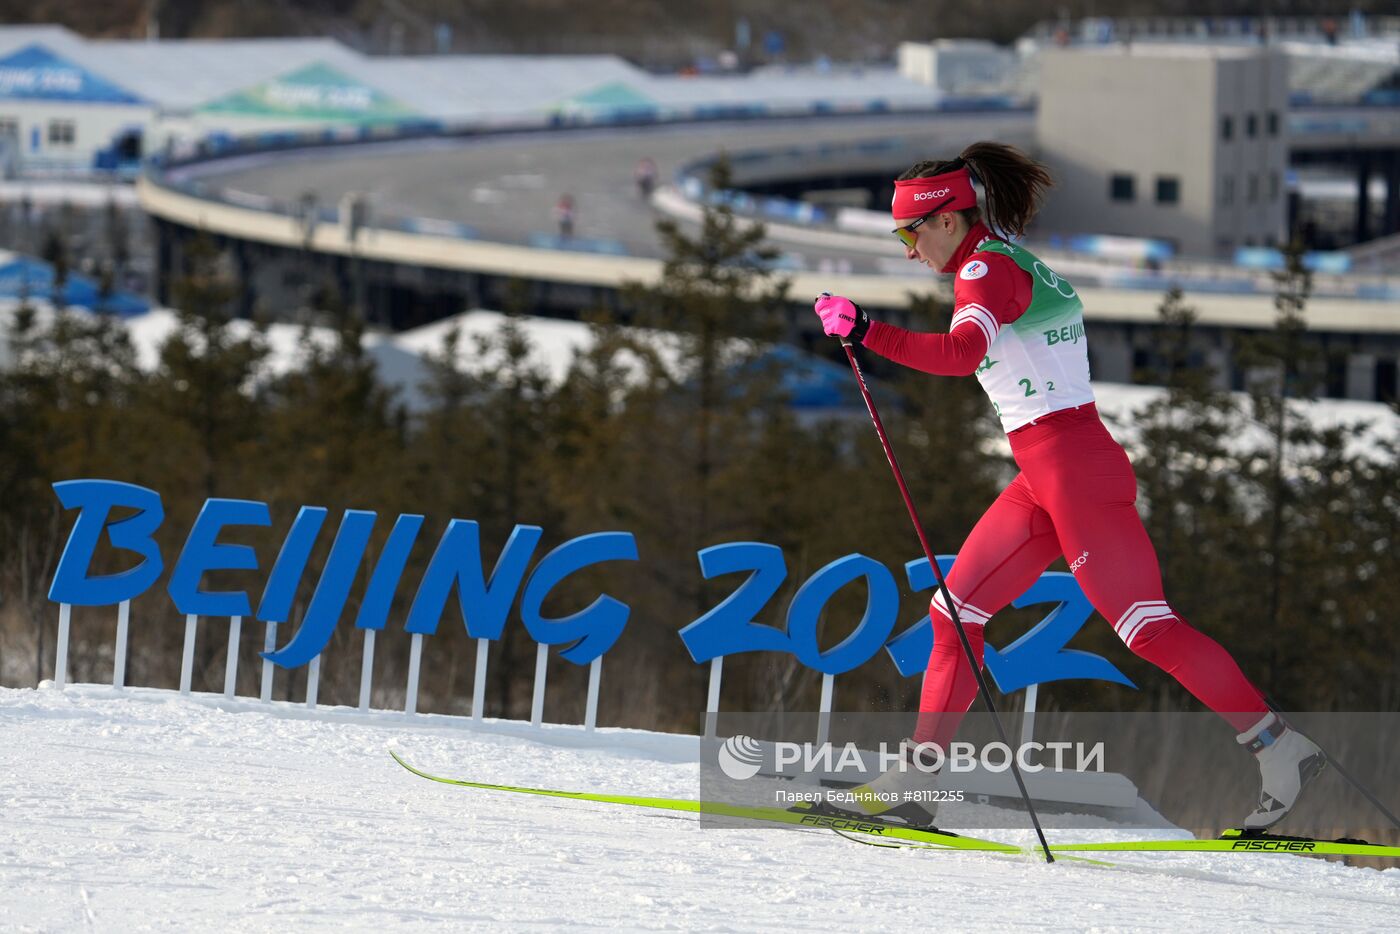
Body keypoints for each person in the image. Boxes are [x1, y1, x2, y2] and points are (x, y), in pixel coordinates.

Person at [811, 141, 1325, 832]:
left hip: (1074, 472)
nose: (909, 251)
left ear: (947, 219)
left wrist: (868, 330)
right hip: (1048, 473)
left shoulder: (985, 270)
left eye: (910, 232)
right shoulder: (1000, 260)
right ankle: (918, 779)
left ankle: (1277, 746)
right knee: (954, 612)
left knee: (1147, 630)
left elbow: (964, 355)